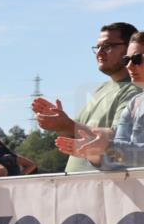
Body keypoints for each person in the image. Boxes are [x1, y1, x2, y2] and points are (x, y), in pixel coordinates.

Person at [32, 22, 141, 173]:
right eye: (98, 47)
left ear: (129, 49)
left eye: (108, 46)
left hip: (108, 189)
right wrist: (59, 123)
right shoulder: (103, 89)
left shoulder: (136, 90)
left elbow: (118, 140)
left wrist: (68, 125)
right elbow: (78, 135)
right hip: (82, 187)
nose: (99, 53)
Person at [57, 31, 144, 169]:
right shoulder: (134, 104)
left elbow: (121, 150)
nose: (129, 66)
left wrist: (109, 147)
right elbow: (117, 162)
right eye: (126, 60)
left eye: (137, 59)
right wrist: (94, 153)